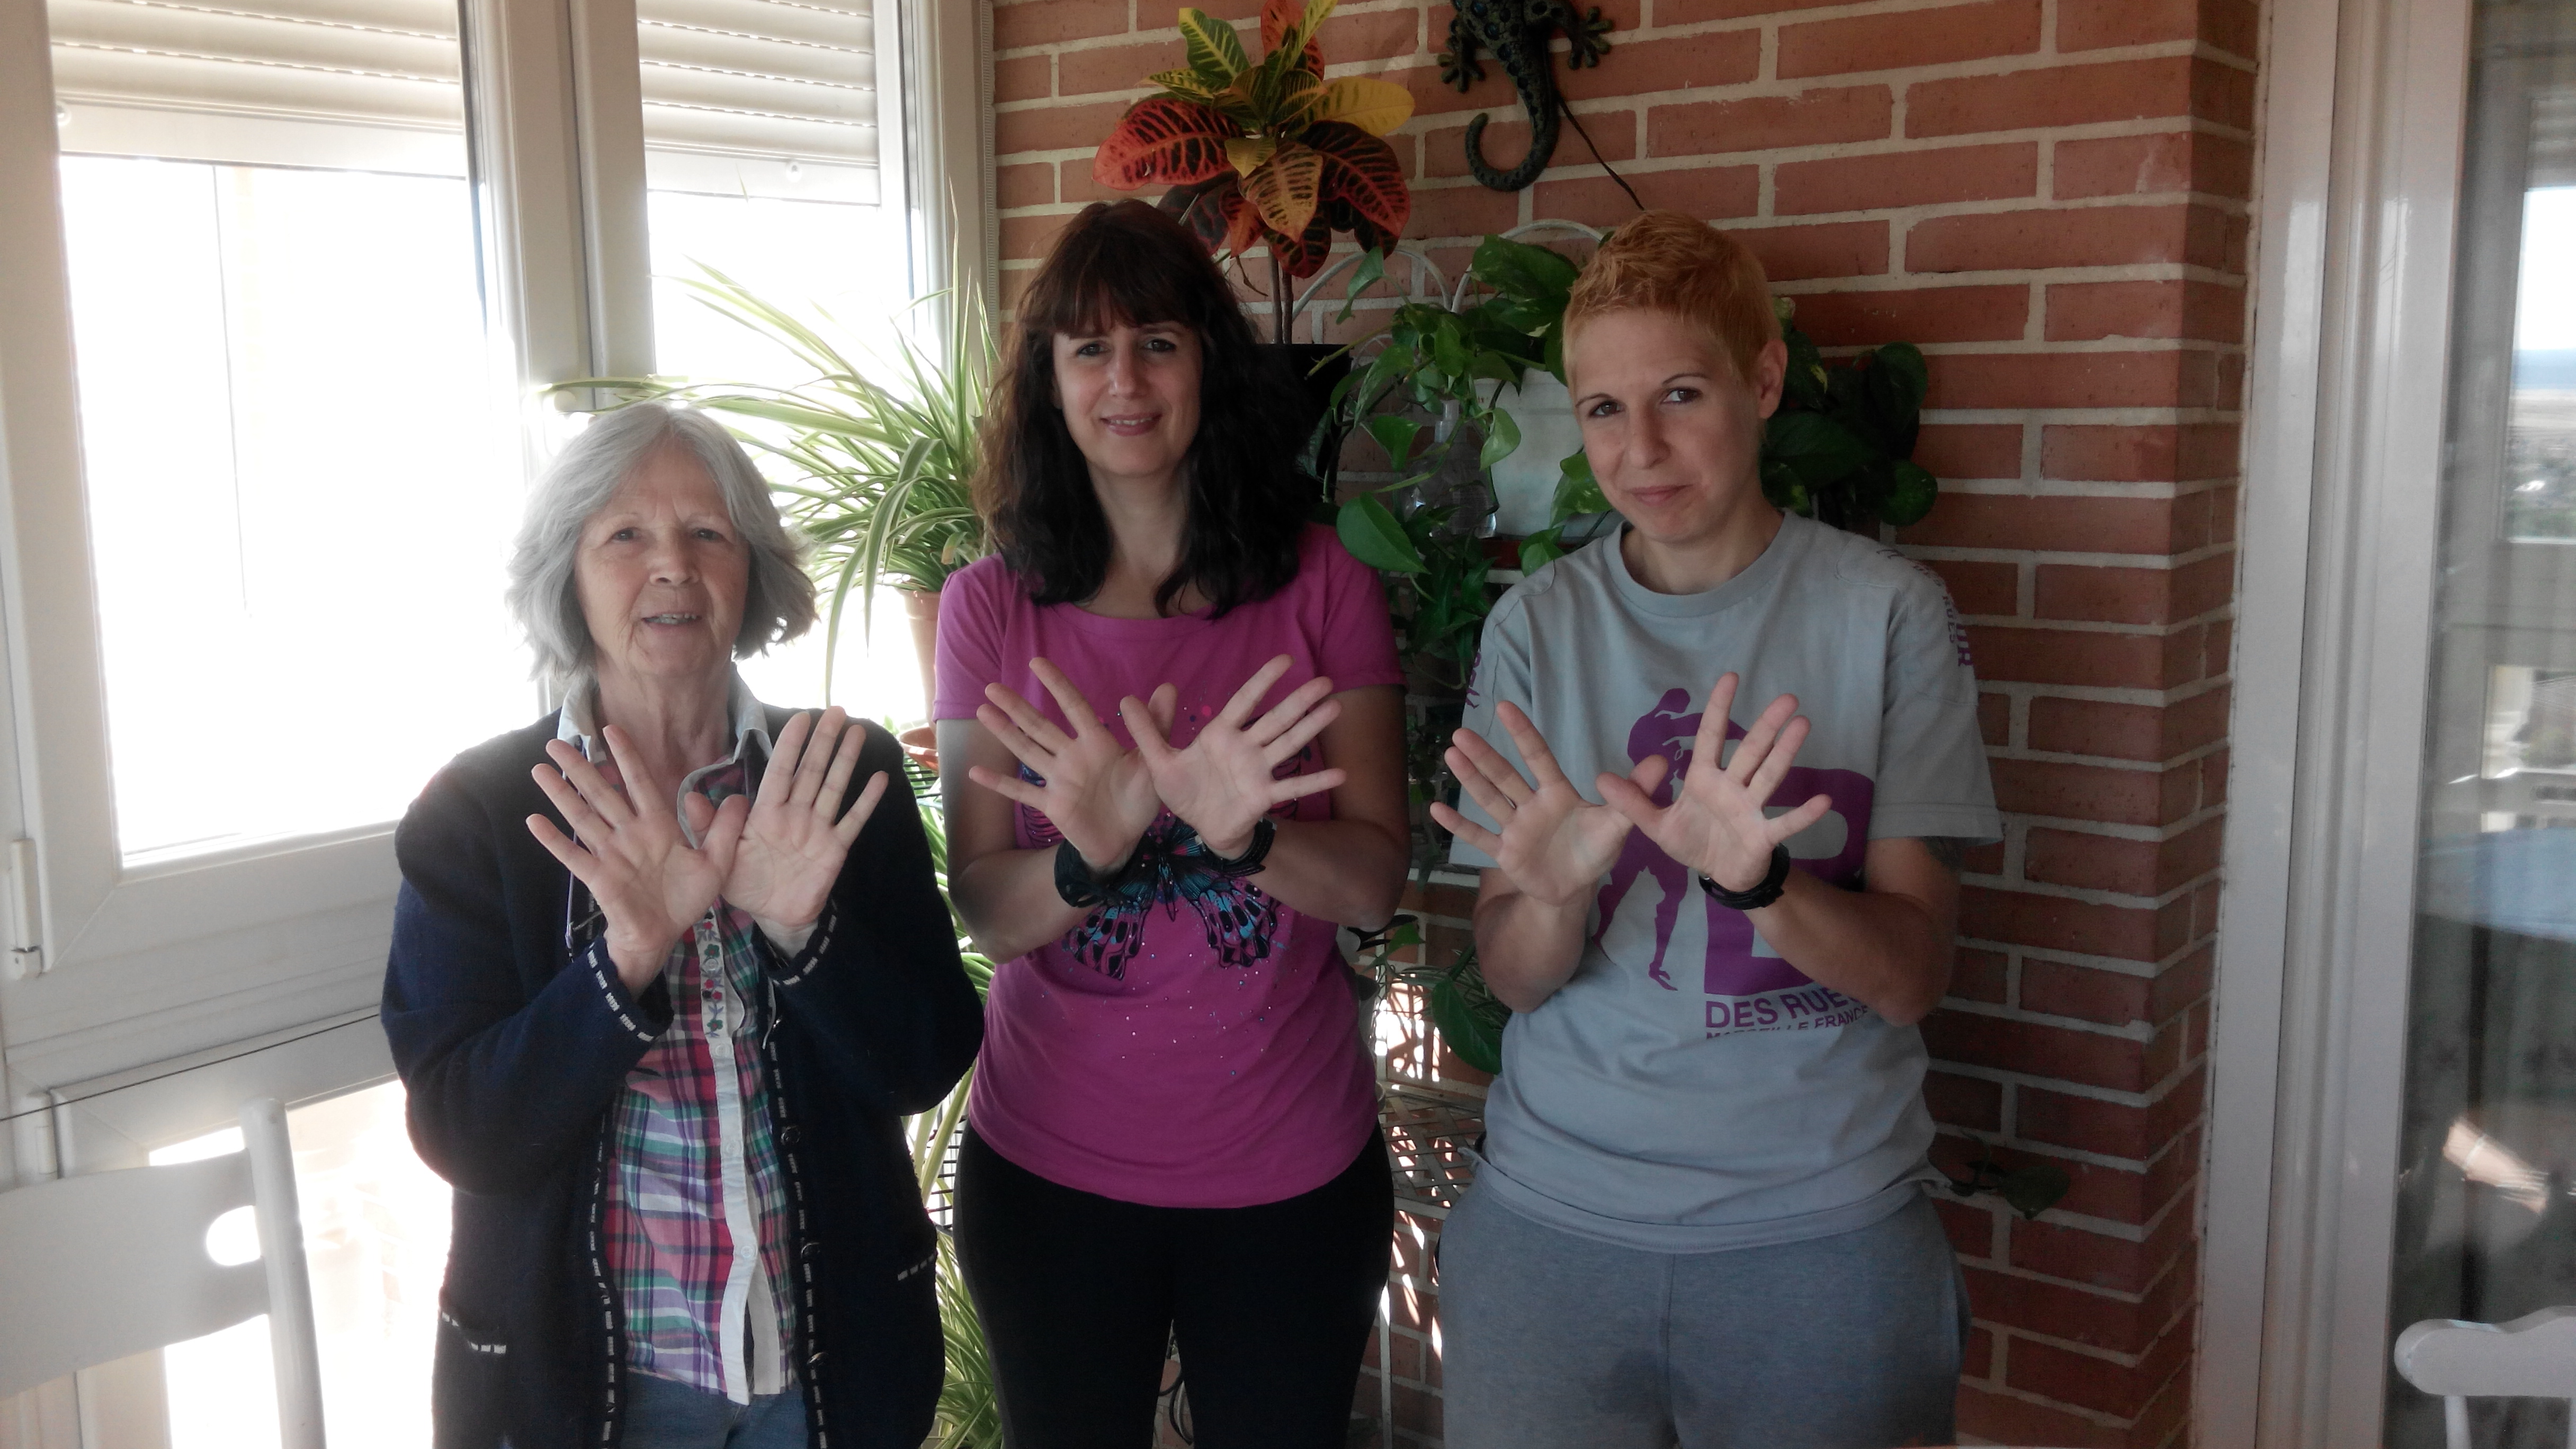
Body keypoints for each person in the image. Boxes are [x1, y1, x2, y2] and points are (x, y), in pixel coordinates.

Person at [1427, 211, 2001, 1448]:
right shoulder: (1535, 624)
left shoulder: (1887, 614)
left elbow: (1911, 977)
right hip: (1552, 1232)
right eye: (1600, 411)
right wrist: (1553, 897)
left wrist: (1761, 891)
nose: (1639, 451)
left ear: (1762, 379)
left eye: (1680, 394)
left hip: (1819, 1237)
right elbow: (1514, 981)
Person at [382, 401, 985, 1449]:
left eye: (708, 533)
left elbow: (924, 1062)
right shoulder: (480, 811)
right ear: (566, 573)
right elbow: (466, 1131)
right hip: (591, 1390)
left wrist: (804, 932)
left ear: (752, 568)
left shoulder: (842, 774)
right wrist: (626, 959)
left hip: (828, 1366)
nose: (673, 567)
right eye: (625, 537)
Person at [932, 200, 1408, 1448]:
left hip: (1289, 1173)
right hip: (1049, 1175)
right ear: (1046, 382)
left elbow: (1370, 885)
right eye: (1085, 350)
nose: (1122, 380)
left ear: (1210, 360)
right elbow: (984, 902)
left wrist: (1247, 841)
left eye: (1156, 340)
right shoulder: (989, 607)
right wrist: (1089, 863)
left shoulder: (1321, 583)